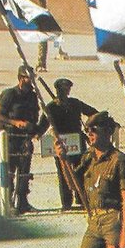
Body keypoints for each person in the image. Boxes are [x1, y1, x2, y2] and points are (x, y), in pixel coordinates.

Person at [56, 111, 125, 248]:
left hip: (113, 222)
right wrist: (63, 160)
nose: (89, 134)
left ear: (107, 131)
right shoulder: (88, 158)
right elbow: (73, 186)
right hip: (94, 221)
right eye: (87, 131)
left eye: (94, 130)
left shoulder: (120, 161)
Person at [37, 77, 98, 210]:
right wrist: (35, 134)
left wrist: (89, 127)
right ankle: (66, 202)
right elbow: (42, 126)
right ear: (57, 90)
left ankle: (81, 198)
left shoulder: (75, 103)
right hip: (60, 143)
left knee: (81, 170)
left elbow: (93, 113)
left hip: (77, 141)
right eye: (62, 90)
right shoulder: (51, 107)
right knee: (63, 172)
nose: (65, 92)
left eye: (67, 89)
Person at [0, 64, 40, 214]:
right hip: (10, 137)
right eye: (27, 78)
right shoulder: (10, 94)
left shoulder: (32, 96)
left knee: (24, 171)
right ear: (20, 78)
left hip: (24, 138)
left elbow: (35, 114)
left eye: (32, 78)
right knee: (10, 171)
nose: (31, 81)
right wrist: (15, 122)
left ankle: (23, 203)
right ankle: (8, 203)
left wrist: (34, 129)